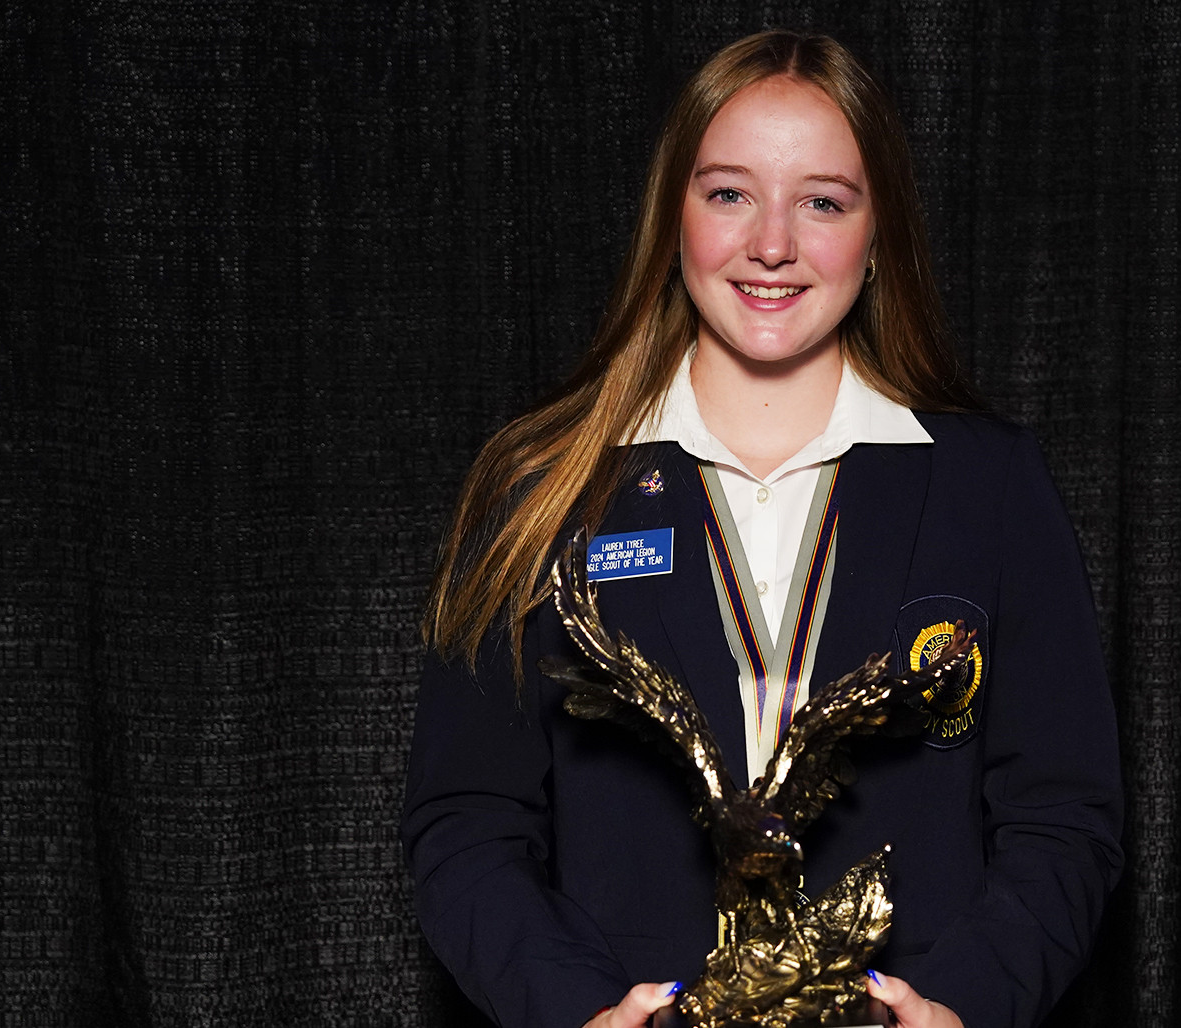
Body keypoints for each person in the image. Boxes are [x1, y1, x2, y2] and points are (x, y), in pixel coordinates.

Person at [403, 30, 1122, 1028]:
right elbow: (466, 823)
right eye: (729, 193)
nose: (772, 244)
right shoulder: (540, 486)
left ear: (879, 236)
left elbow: (1064, 816)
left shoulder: (988, 484)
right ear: (673, 218)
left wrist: (964, 1005)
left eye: (822, 201)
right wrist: (576, 1009)